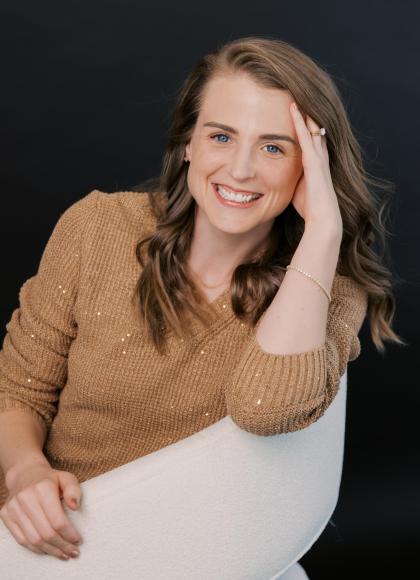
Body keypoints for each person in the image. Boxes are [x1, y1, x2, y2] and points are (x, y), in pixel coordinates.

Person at [0, 36, 406, 566]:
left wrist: (324, 231)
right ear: (188, 142)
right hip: (47, 541)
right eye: (221, 136)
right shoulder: (97, 227)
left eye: (274, 148)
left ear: (311, 167)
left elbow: (266, 410)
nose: (240, 170)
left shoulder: (326, 289)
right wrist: (25, 471)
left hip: (195, 559)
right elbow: (19, 391)